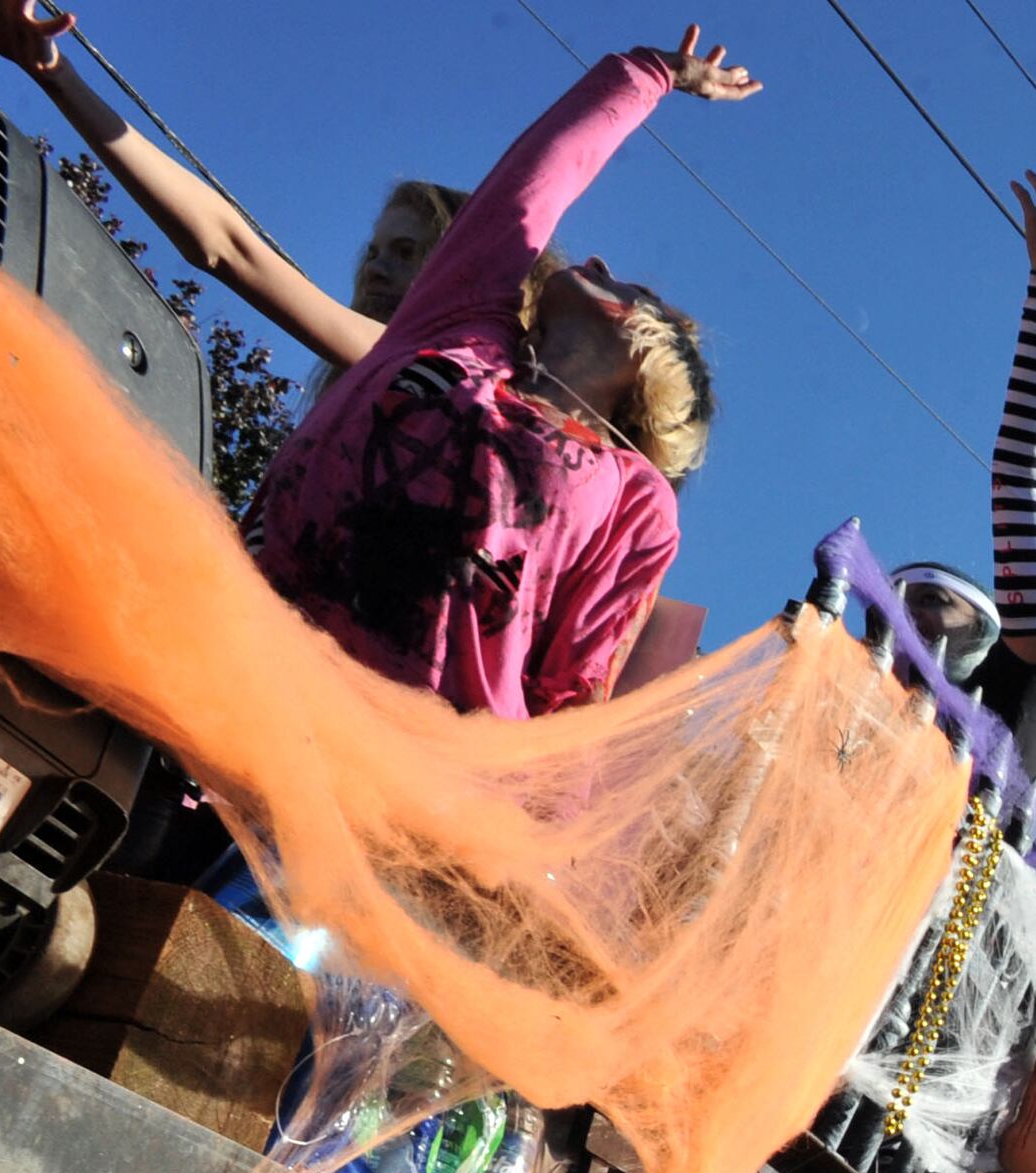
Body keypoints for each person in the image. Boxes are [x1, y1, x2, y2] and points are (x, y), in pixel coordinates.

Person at [239, 30, 755, 721]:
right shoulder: (462, 329)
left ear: (650, 354)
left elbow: (573, 692)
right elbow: (535, 185)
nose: (597, 261)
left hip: (413, 770)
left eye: (626, 285)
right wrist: (652, 73)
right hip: (245, 659)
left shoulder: (637, 499)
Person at [0, 5, 463, 379]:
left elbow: (227, 247)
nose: (374, 268)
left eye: (405, 252)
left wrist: (57, 76)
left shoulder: (433, 370)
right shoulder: (361, 398)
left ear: (463, 272)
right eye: (373, 251)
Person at [892, 166, 1036, 798]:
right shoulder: (844, 718)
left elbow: (1019, 490)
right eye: (897, 603)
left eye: (934, 603)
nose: (909, 616)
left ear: (992, 632)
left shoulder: (1020, 693)